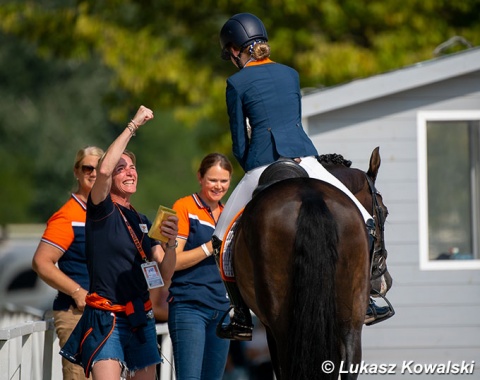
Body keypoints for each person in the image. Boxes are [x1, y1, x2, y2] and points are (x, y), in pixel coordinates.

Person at [214, 13, 390, 341]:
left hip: (262, 162)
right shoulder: (290, 74)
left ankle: (239, 314)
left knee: (221, 237)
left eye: (231, 54)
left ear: (237, 50)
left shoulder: (236, 83)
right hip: (306, 157)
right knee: (364, 218)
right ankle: (368, 298)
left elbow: (239, 139)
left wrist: (251, 165)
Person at [60, 105, 178, 380]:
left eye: (133, 168)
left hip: (141, 316)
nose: (129, 172)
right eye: (121, 168)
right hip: (106, 318)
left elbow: (164, 272)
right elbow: (102, 171)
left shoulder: (143, 219)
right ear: (110, 177)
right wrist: (133, 125)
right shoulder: (101, 209)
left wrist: (171, 245)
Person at [32, 145, 104, 380]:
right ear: (76, 171)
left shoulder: (109, 212)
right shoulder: (68, 215)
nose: (93, 173)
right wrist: (77, 291)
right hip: (77, 313)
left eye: (99, 167)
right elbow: (42, 262)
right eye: (87, 168)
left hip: (107, 314)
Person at [167, 153, 233, 380]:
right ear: (200, 177)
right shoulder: (184, 206)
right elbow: (173, 261)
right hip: (189, 306)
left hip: (222, 310)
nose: (218, 186)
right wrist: (209, 247)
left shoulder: (229, 214)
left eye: (224, 181)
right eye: (213, 180)